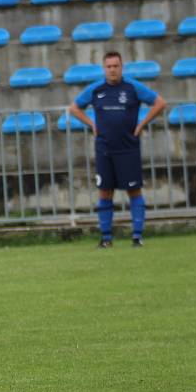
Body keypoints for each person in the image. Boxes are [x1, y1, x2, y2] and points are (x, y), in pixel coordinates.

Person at [68, 51, 167, 248]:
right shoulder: (96, 89)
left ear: (122, 67)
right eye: (109, 66)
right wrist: (92, 125)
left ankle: (137, 236)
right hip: (104, 148)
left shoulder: (132, 87)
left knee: (134, 190)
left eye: (116, 66)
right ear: (104, 69)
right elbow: (74, 108)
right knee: (105, 192)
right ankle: (106, 239)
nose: (112, 70)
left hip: (128, 148)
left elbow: (160, 103)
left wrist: (141, 124)